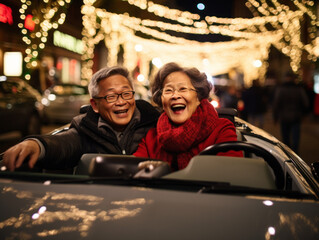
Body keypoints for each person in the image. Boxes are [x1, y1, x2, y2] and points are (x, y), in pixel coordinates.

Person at [3, 66, 160, 171]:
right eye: (111, 96)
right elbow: (63, 143)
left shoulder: (155, 124)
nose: (121, 102)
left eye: (126, 94)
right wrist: (36, 144)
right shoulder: (85, 130)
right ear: (95, 105)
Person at [133, 62, 242, 171]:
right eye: (168, 90)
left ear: (198, 98)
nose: (175, 96)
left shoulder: (222, 129)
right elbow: (132, 170)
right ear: (161, 100)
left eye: (183, 89)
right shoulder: (151, 138)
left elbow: (232, 173)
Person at [273, 72, 309, 154]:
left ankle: (287, 154)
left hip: (284, 116)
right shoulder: (298, 89)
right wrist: (304, 114)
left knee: (285, 137)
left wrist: (275, 117)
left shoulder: (281, 89)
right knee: (295, 138)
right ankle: (295, 154)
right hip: (296, 116)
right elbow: (305, 103)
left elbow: (276, 103)